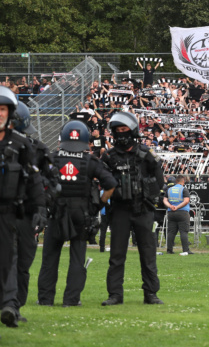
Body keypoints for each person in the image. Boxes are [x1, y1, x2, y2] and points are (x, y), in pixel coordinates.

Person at [36, 121, 117, 307]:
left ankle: (45, 299)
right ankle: (71, 300)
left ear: (62, 138)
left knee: (49, 258)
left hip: (56, 212)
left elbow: (39, 182)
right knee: (77, 258)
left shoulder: (53, 158)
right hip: (81, 214)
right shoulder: (90, 161)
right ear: (86, 141)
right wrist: (96, 207)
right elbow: (111, 185)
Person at [100, 112, 165, 306]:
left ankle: (151, 294)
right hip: (119, 210)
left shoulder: (146, 154)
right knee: (117, 255)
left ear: (133, 130)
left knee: (148, 253)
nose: (121, 134)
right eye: (117, 131)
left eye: (124, 130)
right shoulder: (109, 156)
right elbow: (102, 180)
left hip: (143, 210)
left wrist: (146, 193)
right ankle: (115, 295)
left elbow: (159, 180)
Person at [2, 102, 54, 326]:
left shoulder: (37, 150)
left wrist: (42, 207)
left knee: (22, 262)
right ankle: (10, 304)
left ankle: (15, 306)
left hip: (25, 212)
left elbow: (48, 181)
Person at [163, 176, 192, 256]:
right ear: (183, 182)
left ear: (176, 181)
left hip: (171, 213)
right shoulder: (184, 189)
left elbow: (164, 200)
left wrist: (170, 206)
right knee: (183, 231)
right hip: (182, 212)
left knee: (171, 232)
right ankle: (186, 250)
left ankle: (169, 250)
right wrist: (178, 207)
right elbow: (186, 201)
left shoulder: (169, 189)